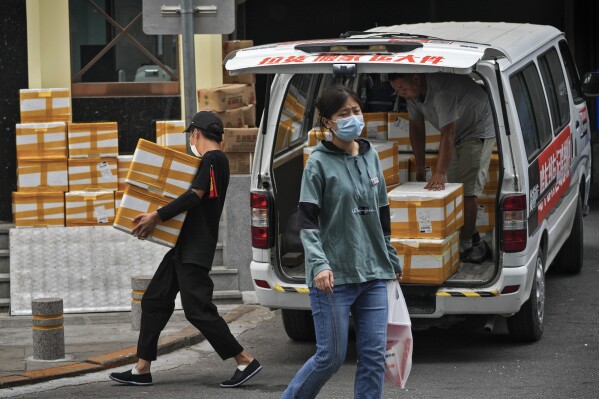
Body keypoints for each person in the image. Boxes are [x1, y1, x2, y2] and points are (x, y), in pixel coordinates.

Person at [109, 111, 262, 388]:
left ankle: (244, 359)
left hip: (195, 247)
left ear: (195, 134)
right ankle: (142, 368)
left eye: (191, 135)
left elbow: (195, 195)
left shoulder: (212, 158)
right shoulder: (214, 161)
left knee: (197, 310)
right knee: (154, 299)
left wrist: (157, 215)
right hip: (184, 246)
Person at [281, 86, 402, 399]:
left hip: (373, 273)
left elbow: (382, 210)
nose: (353, 118)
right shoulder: (317, 164)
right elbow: (307, 221)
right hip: (333, 278)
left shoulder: (370, 154)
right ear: (329, 122)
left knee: (374, 357)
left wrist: (390, 255)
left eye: (356, 111)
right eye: (344, 114)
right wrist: (319, 264)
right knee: (330, 357)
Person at [388, 73, 495, 263]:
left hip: (477, 126)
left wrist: (439, 172)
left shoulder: (441, 93)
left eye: (402, 89)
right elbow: (416, 127)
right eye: (396, 91)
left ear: (416, 79)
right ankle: (465, 235)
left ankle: (467, 245)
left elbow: (448, 133)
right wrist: (420, 167)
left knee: (468, 190)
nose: (401, 94)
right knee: (453, 188)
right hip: (456, 131)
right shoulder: (413, 96)